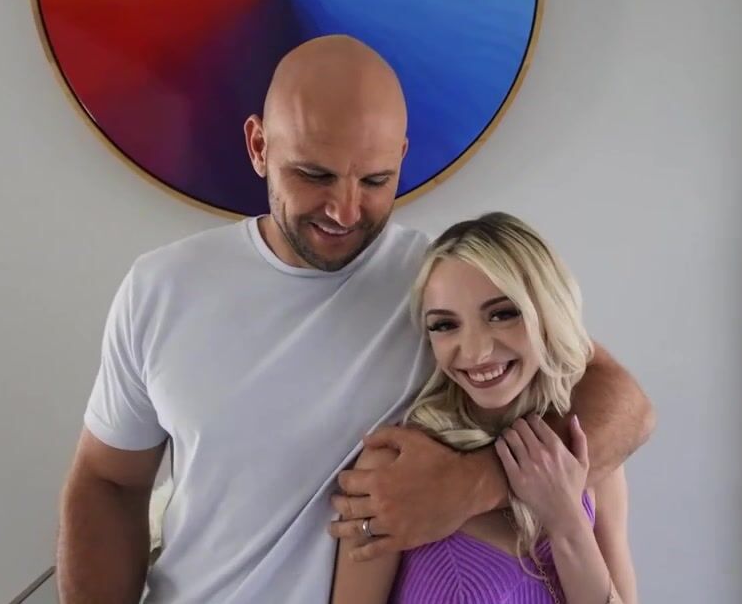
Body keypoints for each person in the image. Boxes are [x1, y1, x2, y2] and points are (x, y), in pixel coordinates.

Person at [55, 34, 655, 603]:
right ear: (260, 147)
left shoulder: (442, 292)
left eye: (375, 180)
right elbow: (109, 482)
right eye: (313, 175)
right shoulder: (162, 288)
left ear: (401, 158)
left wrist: (474, 484)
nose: (344, 210)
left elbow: (624, 404)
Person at [331, 212, 640, 603]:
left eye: (502, 314)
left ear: (548, 312)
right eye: (445, 325)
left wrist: (567, 522)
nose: (476, 352)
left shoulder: (585, 451)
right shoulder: (393, 465)